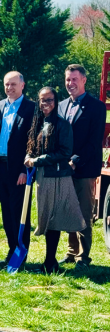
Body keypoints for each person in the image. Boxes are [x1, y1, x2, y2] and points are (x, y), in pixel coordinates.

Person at [24, 87, 86, 274]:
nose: (46, 104)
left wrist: (37, 160)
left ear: (56, 102)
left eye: (49, 100)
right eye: (42, 100)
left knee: (54, 219)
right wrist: (29, 154)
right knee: (47, 218)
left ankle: (50, 263)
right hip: (43, 177)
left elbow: (64, 153)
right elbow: (35, 147)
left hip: (58, 177)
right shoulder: (39, 123)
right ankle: (49, 262)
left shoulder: (62, 125)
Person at [57, 64, 106, 270]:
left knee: (84, 213)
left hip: (84, 169)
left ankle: (84, 257)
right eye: (68, 80)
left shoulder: (96, 107)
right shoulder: (60, 105)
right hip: (63, 169)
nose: (70, 83)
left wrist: (75, 161)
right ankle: (71, 253)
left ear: (84, 80)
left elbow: (95, 142)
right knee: (68, 211)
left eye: (74, 79)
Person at [0, 72, 35, 264]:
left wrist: (26, 170)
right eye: (7, 84)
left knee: (20, 210)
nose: (10, 88)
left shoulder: (32, 108)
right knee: (6, 210)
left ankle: (21, 251)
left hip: (19, 169)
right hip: (0, 165)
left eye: (14, 84)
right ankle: (11, 249)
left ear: (22, 85)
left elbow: (34, 141)